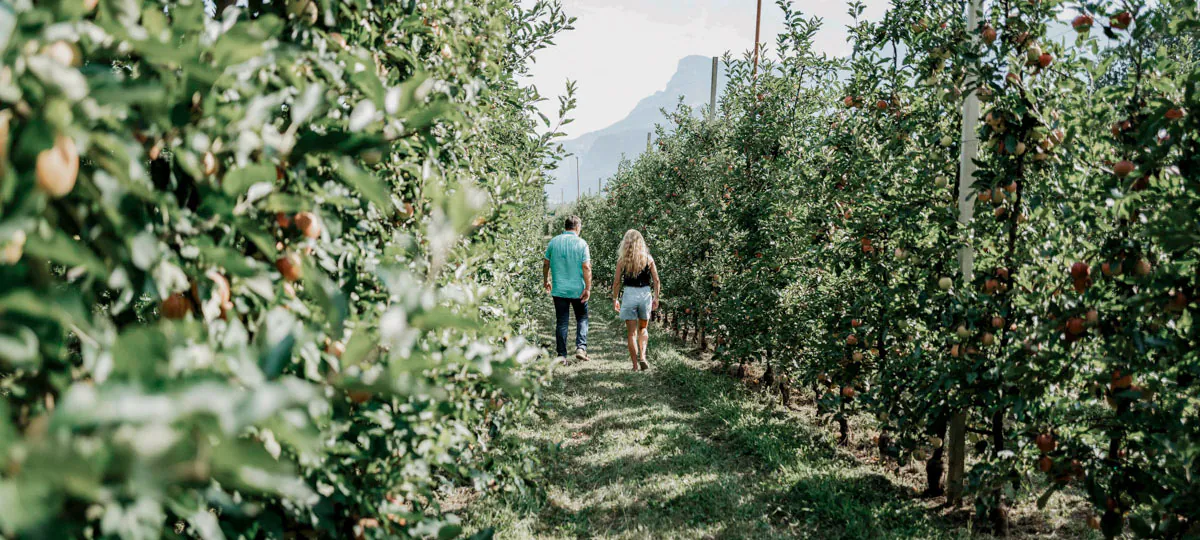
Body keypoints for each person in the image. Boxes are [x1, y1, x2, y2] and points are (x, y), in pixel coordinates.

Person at [544, 215, 592, 364]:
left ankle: (561, 356)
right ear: (577, 227)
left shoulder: (553, 242)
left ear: (565, 227)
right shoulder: (582, 244)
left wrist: (546, 280)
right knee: (582, 318)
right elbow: (586, 267)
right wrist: (588, 288)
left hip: (559, 289)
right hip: (578, 289)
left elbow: (546, 264)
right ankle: (580, 348)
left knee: (562, 322)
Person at [611, 229, 660, 371]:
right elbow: (656, 280)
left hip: (629, 294)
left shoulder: (622, 260)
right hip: (644, 294)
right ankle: (643, 357)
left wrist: (615, 298)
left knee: (631, 333)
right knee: (643, 328)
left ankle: (634, 366)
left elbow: (616, 282)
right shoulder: (648, 258)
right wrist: (656, 297)